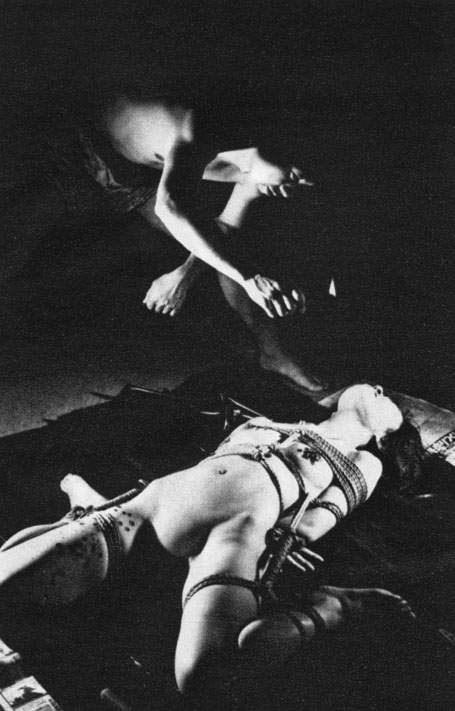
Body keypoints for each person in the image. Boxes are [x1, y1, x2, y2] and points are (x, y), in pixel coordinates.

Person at [0, 384, 420, 708]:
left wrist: (285, 540)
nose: (378, 389)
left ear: (385, 436)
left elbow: (311, 525)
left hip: (230, 542)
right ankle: (87, 509)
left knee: (206, 681)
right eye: (377, 387)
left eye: (386, 398)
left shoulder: (365, 461)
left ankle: (335, 606)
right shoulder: (263, 423)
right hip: (148, 511)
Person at [1, 83, 325, 391]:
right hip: (89, 150)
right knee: (16, 237)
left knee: (235, 256)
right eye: (292, 175)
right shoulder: (207, 123)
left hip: (142, 174)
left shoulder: (266, 170)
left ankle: (273, 354)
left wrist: (184, 275)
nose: (289, 187)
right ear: (273, 143)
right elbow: (169, 207)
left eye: (300, 183)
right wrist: (251, 278)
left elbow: (225, 230)